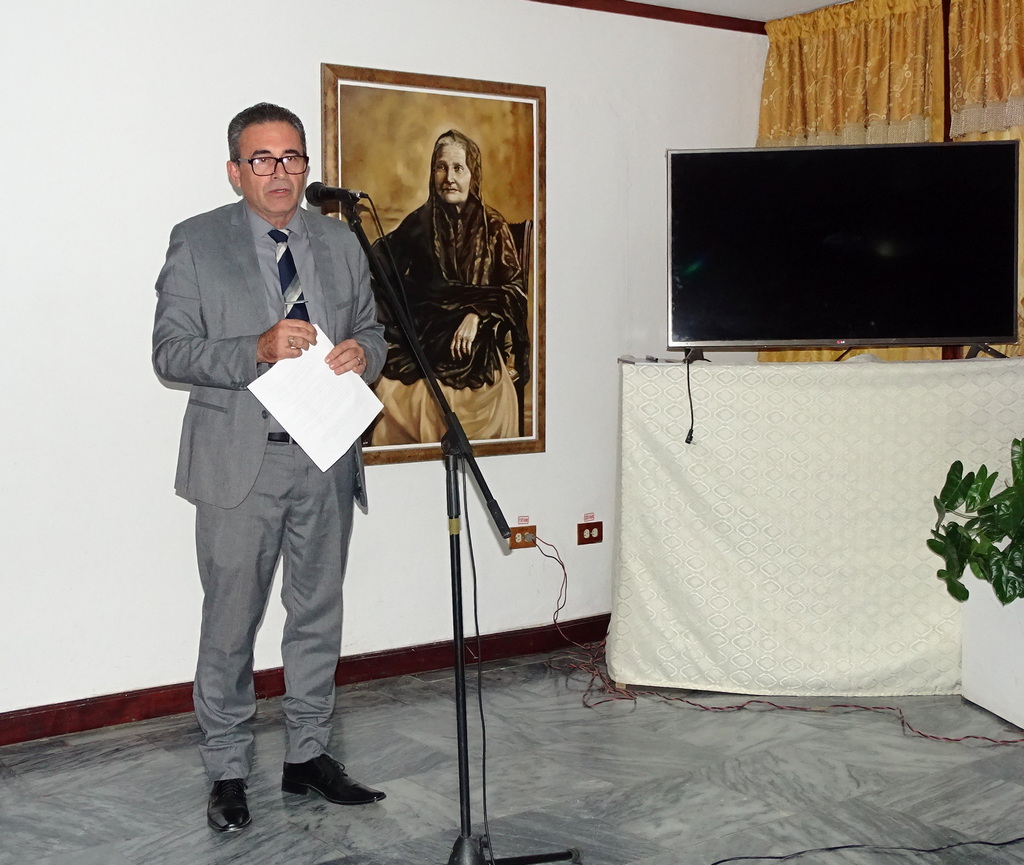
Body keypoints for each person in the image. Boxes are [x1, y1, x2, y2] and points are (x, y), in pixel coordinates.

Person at [152, 103, 387, 833]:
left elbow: (374, 332)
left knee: (317, 614)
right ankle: (226, 769)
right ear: (235, 170)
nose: (280, 173)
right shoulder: (196, 242)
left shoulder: (342, 242)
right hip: (238, 467)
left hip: (325, 457)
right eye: (263, 159)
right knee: (230, 624)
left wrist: (363, 356)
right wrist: (254, 347)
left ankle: (308, 755)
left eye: (292, 158)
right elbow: (171, 352)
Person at [369, 129, 530, 445]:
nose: (449, 177)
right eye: (441, 167)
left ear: (473, 174)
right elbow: (378, 267)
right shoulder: (420, 222)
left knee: (480, 403)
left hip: (474, 344)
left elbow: (515, 291)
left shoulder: (493, 227)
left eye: (458, 168)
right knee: (396, 394)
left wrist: (475, 314)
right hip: (426, 337)